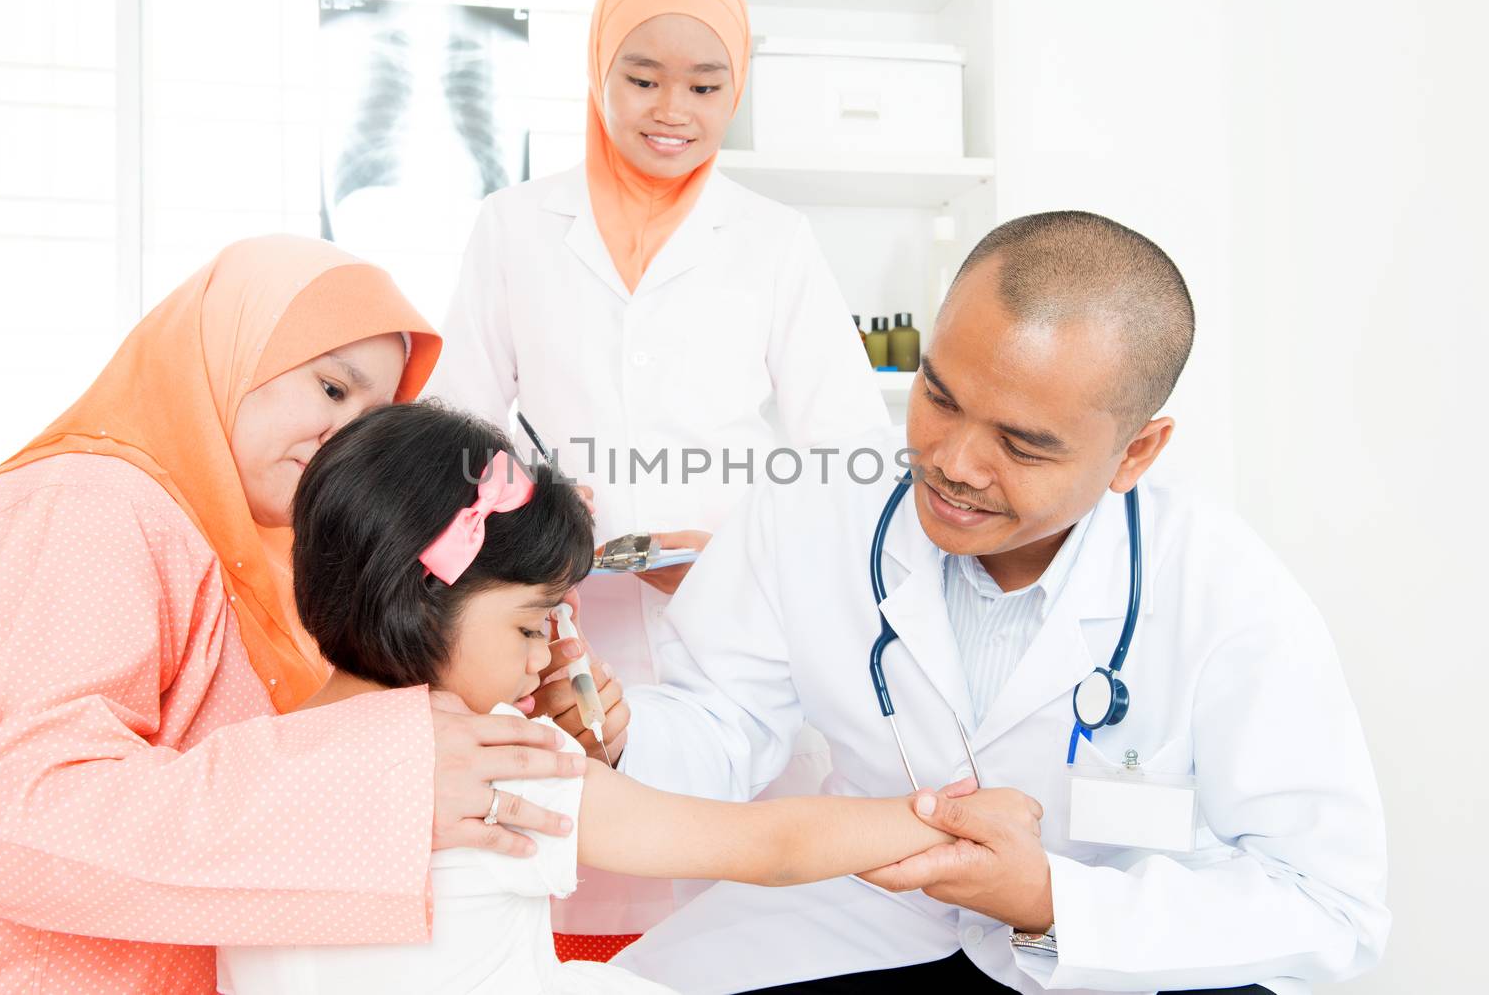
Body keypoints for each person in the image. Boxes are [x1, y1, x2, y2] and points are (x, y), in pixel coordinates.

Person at [546, 211, 1390, 992]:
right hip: (863, 915)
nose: (953, 463)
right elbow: (724, 724)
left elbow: (1328, 903)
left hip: (1111, 945)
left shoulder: (1225, 591)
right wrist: (625, 734)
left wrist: (1050, 897)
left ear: (1136, 451)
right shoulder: (812, 505)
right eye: (939, 396)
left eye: (1022, 444)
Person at [0, 236, 588, 994]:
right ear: (227, 354)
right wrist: (376, 788)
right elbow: (23, 818)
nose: (346, 435)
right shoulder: (87, 507)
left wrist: (510, 692)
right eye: (331, 389)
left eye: (373, 415)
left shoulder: (254, 562)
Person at [218, 400, 1027, 994]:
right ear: (423, 602)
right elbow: (764, 846)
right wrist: (943, 818)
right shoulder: (490, 764)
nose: (544, 657)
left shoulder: (236, 760)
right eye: (534, 626)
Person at [427, 0, 888, 941]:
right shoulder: (512, 227)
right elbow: (453, 427)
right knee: (565, 876)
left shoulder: (773, 241)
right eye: (640, 78)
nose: (669, 108)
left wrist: (747, 552)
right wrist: (525, 509)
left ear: (737, 91)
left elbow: (847, 444)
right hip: (548, 612)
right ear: (596, 71)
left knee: (724, 895)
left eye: (704, 84)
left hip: (721, 616)